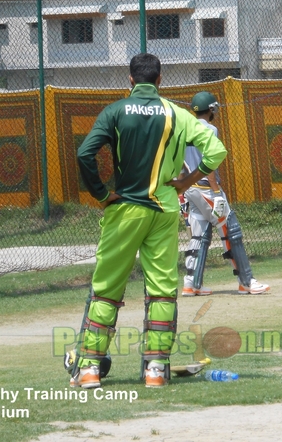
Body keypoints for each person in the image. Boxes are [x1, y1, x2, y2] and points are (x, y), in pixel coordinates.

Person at [73, 54, 227, 389]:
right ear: (160, 80)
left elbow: (85, 154)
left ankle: (88, 370)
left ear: (130, 80)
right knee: (161, 291)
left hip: (125, 211)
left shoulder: (115, 111)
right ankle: (156, 371)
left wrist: (102, 195)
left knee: (107, 289)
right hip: (164, 212)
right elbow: (216, 152)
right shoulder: (177, 114)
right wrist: (186, 183)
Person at [182, 91, 270, 297]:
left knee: (200, 234)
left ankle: (192, 284)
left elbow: (180, 162)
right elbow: (209, 161)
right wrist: (216, 192)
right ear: (211, 109)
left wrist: (181, 189)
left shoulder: (184, 130)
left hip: (189, 187)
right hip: (206, 187)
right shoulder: (210, 129)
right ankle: (246, 281)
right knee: (232, 230)